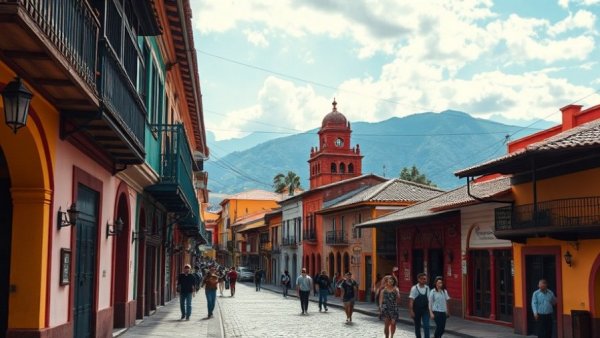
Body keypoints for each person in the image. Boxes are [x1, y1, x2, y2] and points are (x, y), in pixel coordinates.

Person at [409, 273, 430, 338]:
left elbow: (429, 300)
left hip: (425, 310)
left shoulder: (427, 288)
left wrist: (430, 310)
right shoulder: (414, 288)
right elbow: (411, 300)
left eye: (425, 279)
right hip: (416, 310)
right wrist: (411, 311)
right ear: (418, 279)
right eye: (422, 279)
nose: (424, 280)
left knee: (426, 325)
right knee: (417, 326)